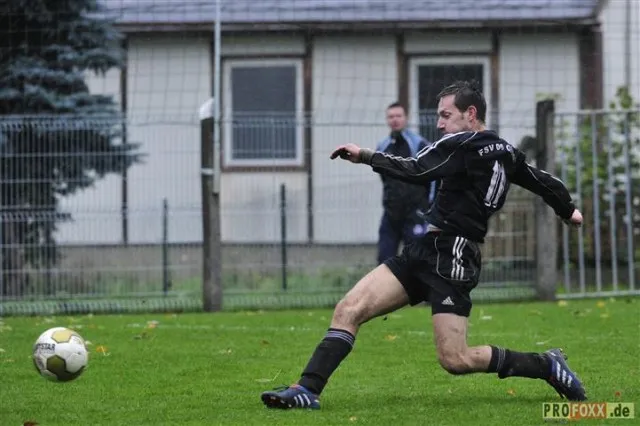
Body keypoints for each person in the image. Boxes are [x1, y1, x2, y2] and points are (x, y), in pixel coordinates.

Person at [260, 80, 587, 410]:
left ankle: (546, 365)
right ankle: (307, 389)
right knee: (349, 309)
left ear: (470, 114)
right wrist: (568, 210)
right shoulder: (506, 152)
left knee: (455, 359)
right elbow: (544, 181)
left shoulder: (461, 142)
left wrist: (365, 156)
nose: (440, 124)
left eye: (446, 115)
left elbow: (416, 169)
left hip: (453, 257)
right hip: (426, 248)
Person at [375, 102, 437, 265]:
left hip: (415, 212)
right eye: (391, 116)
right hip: (391, 213)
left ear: (406, 118)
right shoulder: (382, 146)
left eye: (398, 116)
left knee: (416, 260)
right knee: (384, 259)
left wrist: (429, 204)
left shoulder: (419, 144)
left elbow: (432, 176)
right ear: (387, 120)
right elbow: (383, 176)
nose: (395, 119)